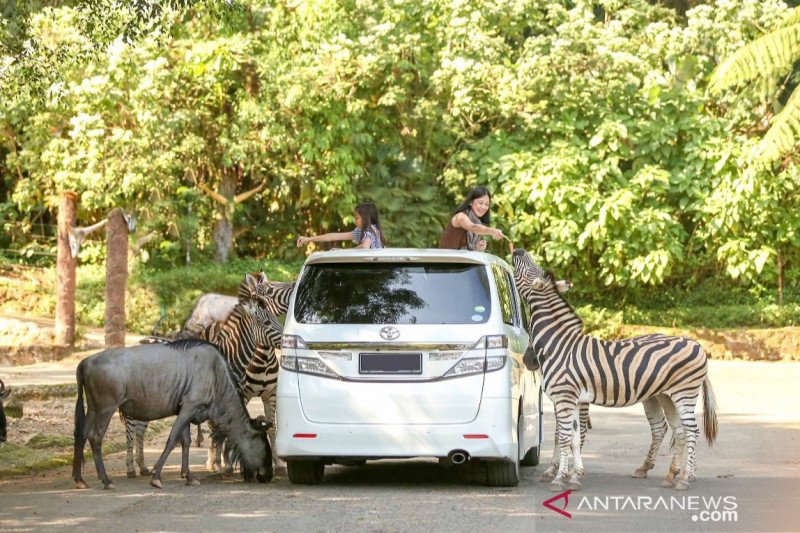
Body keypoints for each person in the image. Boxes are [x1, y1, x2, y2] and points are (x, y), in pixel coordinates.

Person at [296, 201, 386, 249]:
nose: (355, 220)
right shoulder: (362, 232)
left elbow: (365, 247)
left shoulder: (371, 229)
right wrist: (308, 239)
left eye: (357, 217)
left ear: (366, 217)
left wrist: (344, 252)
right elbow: (334, 236)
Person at [438, 186, 504, 251]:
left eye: (487, 204)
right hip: (445, 259)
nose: (483, 207)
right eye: (480, 203)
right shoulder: (460, 217)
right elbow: (474, 227)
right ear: (470, 202)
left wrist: (476, 247)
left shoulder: (477, 222)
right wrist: (493, 231)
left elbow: (464, 251)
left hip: (459, 260)